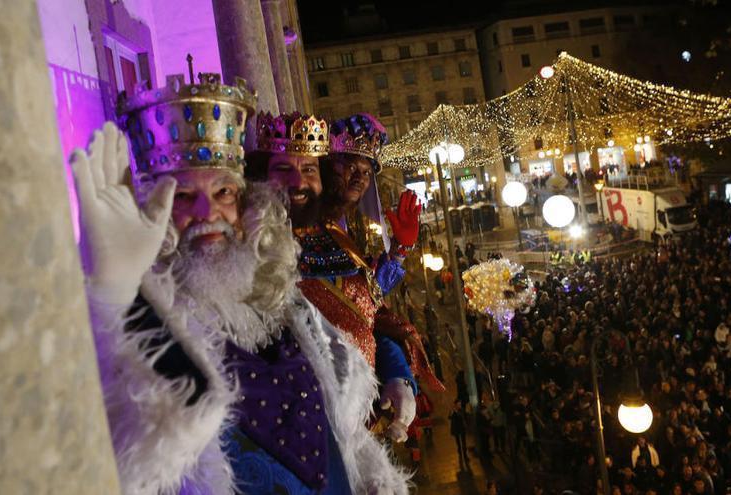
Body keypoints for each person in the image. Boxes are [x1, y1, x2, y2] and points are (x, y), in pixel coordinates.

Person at [76, 76, 409, 494]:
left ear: (247, 204)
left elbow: (344, 426)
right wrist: (120, 297)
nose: (207, 212)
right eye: (180, 197)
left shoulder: (285, 305)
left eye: (224, 192)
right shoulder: (136, 328)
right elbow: (140, 455)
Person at [245, 112, 438, 443]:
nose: (298, 182)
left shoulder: (335, 235)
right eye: (282, 169)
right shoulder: (248, 254)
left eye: (308, 169)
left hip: (356, 426)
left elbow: (365, 313)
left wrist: (397, 374)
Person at [449, 400, 470, 465]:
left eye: (460, 404)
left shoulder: (461, 410)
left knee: (464, 442)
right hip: (456, 428)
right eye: (458, 404)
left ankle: (465, 453)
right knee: (458, 441)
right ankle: (460, 452)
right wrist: (452, 413)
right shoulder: (453, 410)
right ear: (455, 404)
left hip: (462, 428)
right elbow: (449, 417)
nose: (459, 405)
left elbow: (462, 416)